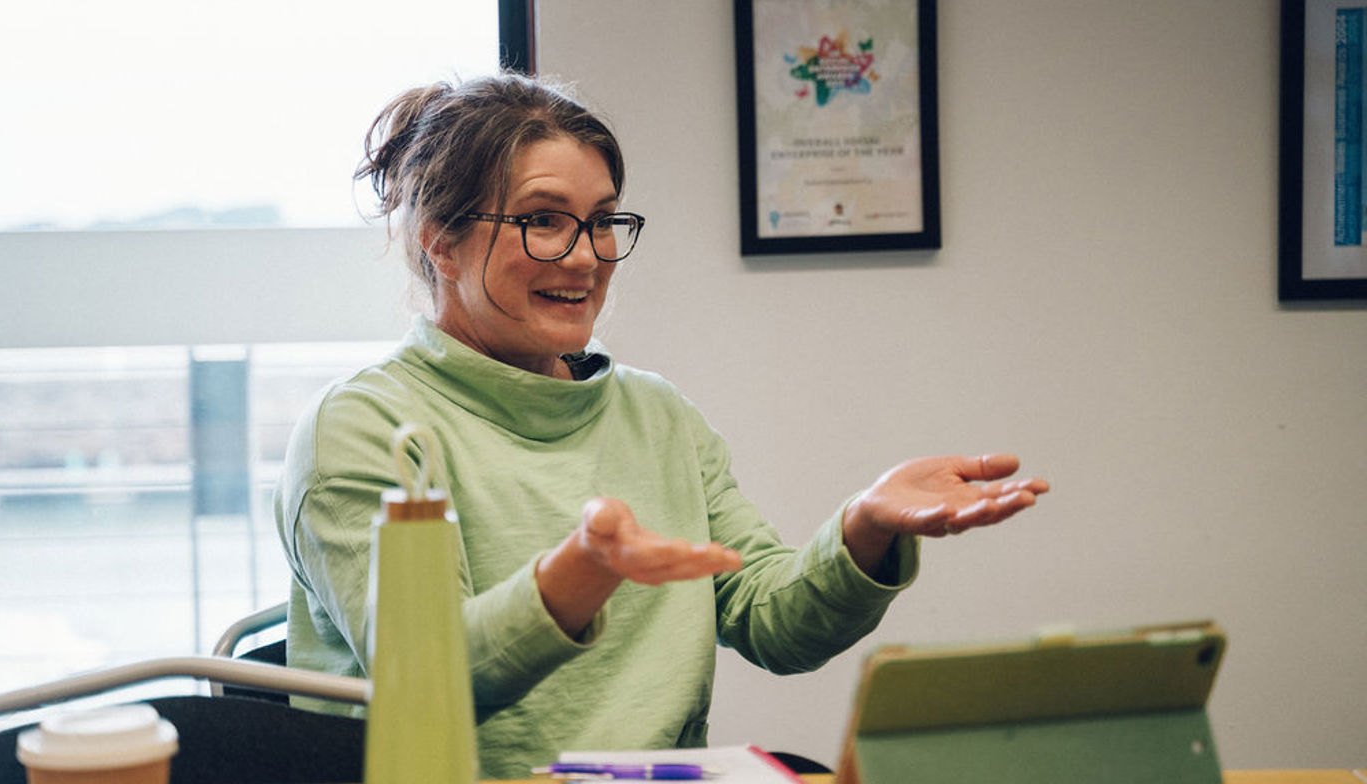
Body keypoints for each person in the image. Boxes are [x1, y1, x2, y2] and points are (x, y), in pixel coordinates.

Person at [273, 72, 1049, 779]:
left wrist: (864, 528)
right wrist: (581, 569)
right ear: (440, 241)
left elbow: (774, 624)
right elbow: (428, 684)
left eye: (604, 221)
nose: (588, 258)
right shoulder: (365, 427)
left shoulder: (656, 414)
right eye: (545, 221)